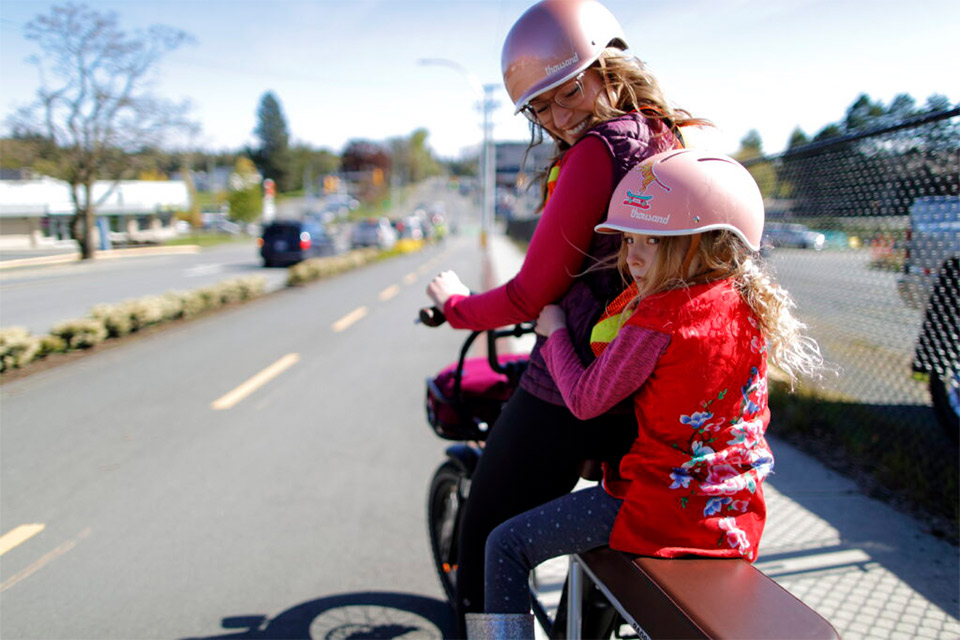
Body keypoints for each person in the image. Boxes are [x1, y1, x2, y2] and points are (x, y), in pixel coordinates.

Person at [425, 0, 707, 628]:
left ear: (609, 66)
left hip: (574, 384)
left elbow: (530, 294)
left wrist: (456, 306)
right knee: (596, 532)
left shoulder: (598, 151)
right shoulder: (662, 136)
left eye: (569, 90)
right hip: (643, 384)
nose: (559, 118)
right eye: (540, 108)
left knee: (485, 538)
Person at [465, 148, 825, 638]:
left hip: (661, 508)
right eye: (628, 239)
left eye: (653, 240)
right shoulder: (746, 306)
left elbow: (585, 399)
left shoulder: (660, 316)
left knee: (504, 544)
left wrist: (555, 334)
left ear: (706, 243)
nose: (632, 257)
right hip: (734, 512)